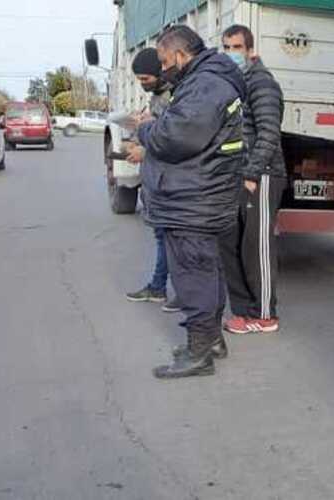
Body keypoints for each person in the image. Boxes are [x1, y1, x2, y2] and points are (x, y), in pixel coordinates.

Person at [131, 25, 247, 379]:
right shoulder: (205, 81)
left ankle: (199, 352)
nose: (164, 68)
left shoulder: (206, 84)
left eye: (165, 61)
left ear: (181, 55)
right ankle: (210, 341)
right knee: (205, 270)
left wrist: (145, 128)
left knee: (193, 274)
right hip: (200, 194)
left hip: (194, 198)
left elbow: (174, 138)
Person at [220, 25, 287, 335]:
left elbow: (269, 133)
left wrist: (251, 174)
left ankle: (264, 315)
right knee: (231, 243)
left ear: (249, 50)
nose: (231, 53)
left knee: (256, 246)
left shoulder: (262, 84)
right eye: (226, 47)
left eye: (236, 47)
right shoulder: (238, 84)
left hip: (262, 175)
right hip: (238, 174)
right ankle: (244, 313)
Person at [124, 48, 182, 314]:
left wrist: (145, 150)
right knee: (162, 235)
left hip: (172, 179)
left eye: (146, 78)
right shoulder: (159, 96)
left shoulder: (176, 96)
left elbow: (174, 138)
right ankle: (159, 287)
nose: (143, 84)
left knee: (175, 238)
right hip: (158, 177)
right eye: (139, 80)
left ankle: (182, 292)